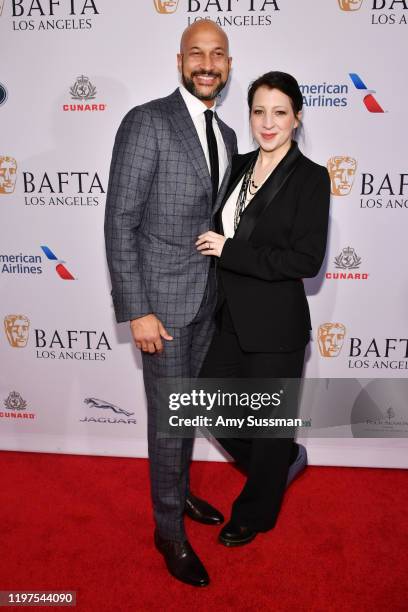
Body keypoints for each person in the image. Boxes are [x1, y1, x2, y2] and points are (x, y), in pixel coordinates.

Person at [104, 22, 237, 586]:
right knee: (167, 422)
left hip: (206, 300)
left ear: (228, 65)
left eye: (218, 55)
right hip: (160, 305)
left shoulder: (228, 132)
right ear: (179, 60)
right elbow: (120, 222)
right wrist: (138, 310)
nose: (207, 64)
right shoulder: (147, 122)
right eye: (197, 54)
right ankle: (168, 532)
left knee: (187, 414)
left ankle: (179, 495)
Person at [197, 71, 330, 547]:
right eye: (258, 111)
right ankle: (278, 464)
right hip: (226, 318)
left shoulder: (311, 178)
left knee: (270, 426)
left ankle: (256, 511)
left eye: (279, 112)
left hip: (277, 325)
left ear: (296, 117)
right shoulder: (235, 166)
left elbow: (305, 260)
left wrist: (230, 250)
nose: (267, 123)